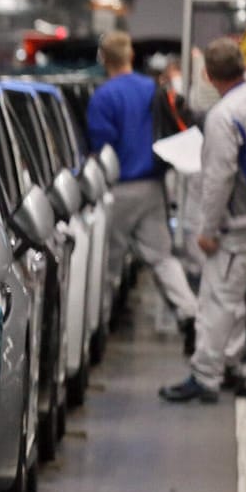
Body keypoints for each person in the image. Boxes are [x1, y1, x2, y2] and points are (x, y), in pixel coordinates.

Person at [160, 37, 246, 404]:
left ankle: (206, 375)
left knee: (219, 299)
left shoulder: (224, 116)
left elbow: (218, 178)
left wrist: (207, 229)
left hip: (242, 226)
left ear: (207, 75)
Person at [87, 32, 198, 333]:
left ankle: (97, 327)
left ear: (104, 59)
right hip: (152, 186)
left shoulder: (104, 97)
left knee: (106, 263)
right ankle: (190, 312)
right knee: (162, 257)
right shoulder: (152, 88)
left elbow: (102, 150)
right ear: (130, 56)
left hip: (119, 189)